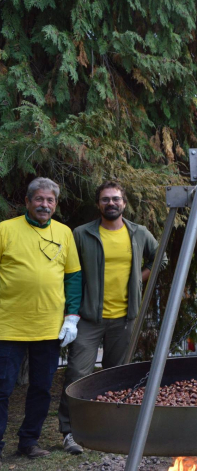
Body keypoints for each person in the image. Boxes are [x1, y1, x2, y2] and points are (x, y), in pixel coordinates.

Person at [58, 181, 167, 455]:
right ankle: (69, 431)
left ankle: (109, 429)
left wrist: (137, 282)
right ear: (98, 204)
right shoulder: (82, 234)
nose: (111, 203)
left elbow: (160, 259)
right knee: (77, 374)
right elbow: (69, 270)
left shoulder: (138, 232)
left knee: (116, 376)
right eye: (105, 199)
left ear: (124, 203)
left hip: (125, 318)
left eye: (116, 199)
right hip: (88, 318)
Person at [0, 178, 82, 462]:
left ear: (55, 204)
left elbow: (73, 277)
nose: (44, 205)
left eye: (50, 201)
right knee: (2, 388)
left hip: (49, 328)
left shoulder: (64, 232)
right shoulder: (5, 230)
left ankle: (28, 441)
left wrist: (72, 317)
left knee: (41, 389)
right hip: (7, 326)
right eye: (39, 199)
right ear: (27, 201)